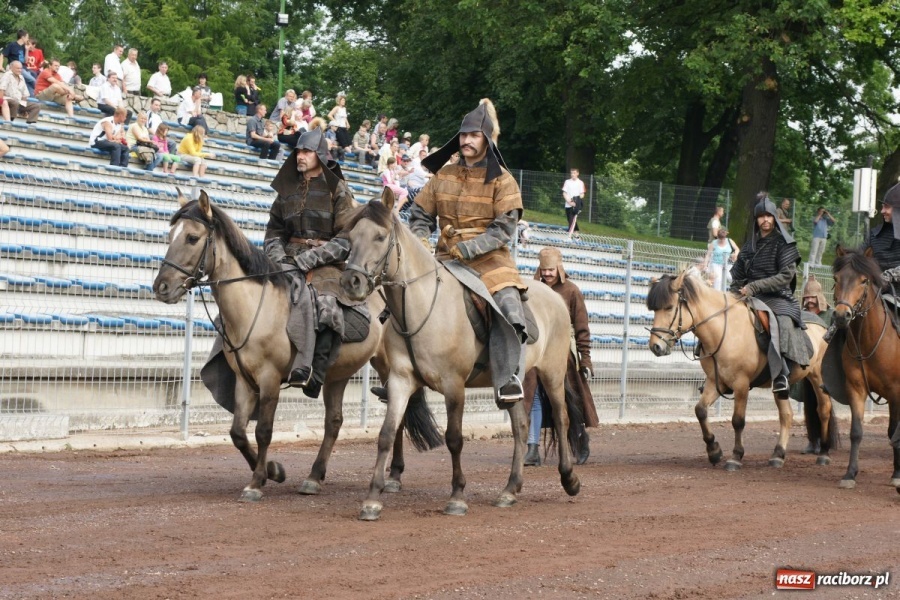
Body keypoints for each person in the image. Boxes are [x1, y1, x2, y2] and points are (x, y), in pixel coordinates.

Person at [410, 98, 529, 404]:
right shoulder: (443, 175)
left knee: (507, 304)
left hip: (491, 261)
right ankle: (398, 371)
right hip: (445, 257)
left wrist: (470, 247)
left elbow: (504, 228)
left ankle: (508, 377)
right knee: (400, 299)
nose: (466, 140)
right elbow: (420, 215)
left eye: (473, 135)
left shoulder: (503, 180)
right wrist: (421, 239)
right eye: (463, 135)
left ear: (486, 139)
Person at [264, 119, 359, 398]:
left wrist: (310, 259)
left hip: (326, 265)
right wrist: (279, 258)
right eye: (297, 152)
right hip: (286, 260)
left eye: (305, 152)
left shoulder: (338, 190)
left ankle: (316, 374)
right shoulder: (286, 190)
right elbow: (273, 232)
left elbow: (346, 239)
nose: (300, 156)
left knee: (328, 306)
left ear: (320, 155)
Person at [523, 247, 598, 466]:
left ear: (559, 268)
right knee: (532, 396)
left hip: (562, 353)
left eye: (551, 270)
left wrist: (585, 358)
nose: (547, 274)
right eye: (543, 269)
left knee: (569, 399)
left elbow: (582, 328)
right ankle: (532, 448)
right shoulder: (530, 290)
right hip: (535, 353)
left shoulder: (572, 291)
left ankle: (580, 438)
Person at [730, 192, 810, 394]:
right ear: (756, 220)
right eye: (761, 216)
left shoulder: (784, 243)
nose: (765, 220)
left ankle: (782, 372)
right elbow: (738, 276)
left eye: (769, 216)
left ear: (774, 217)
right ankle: (720, 372)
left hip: (778, 297)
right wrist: (731, 295)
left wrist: (755, 286)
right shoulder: (748, 247)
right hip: (750, 296)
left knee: (780, 321)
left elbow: (785, 276)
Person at [864, 182, 900, 283]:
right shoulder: (874, 235)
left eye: (887, 207)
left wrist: (888, 275)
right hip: (877, 292)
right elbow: (860, 258)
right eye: (882, 206)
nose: (882, 211)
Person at [1, 30, 36, 96]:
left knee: (29, 80)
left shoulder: (24, 47)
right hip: (14, 67)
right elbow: (2, 55)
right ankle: (39, 90)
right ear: (23, 37)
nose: (28, 39)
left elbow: (25, 61)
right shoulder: (12, 45)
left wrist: (27, 50)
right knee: (32, 80)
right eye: (27, 37)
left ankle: (32, 98)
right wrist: (0, 66)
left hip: (23, 67)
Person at [562, 168, 586, 239]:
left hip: (576, 205)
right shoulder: (567, 182)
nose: (573, 174)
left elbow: (582, 194)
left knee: (572, 220)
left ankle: (569, 237)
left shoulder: (580, 183)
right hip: (568, 204)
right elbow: (564, 193)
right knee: (570, 220)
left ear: (577, 173)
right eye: (571, 173)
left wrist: (576, 200)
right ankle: (577, 236)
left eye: (574, 173)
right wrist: (569, 201)